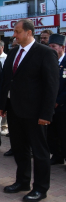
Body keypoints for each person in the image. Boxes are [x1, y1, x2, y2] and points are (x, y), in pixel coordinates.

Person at [0, 19, 58, 201]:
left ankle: (40, 188)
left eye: (17, 32)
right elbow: (7, 80)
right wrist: (3, 105)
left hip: (35, 113)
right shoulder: (14, 52)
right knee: (19, 148)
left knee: (39, 153)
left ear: (29, 33)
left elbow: (51, 86)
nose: (14, 35)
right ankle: (22, 181)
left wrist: (46, 114)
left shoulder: (45, 53)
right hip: (15, 110)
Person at [47, 34, 66, 166]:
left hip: (63, 105)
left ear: (62, 47)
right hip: (50, 104)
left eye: (53, 47)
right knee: (52, 132)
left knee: (63, 133)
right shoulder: (49, 62)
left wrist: (58, 100)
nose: (51, 49)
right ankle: (57, 155)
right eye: (50, 46)